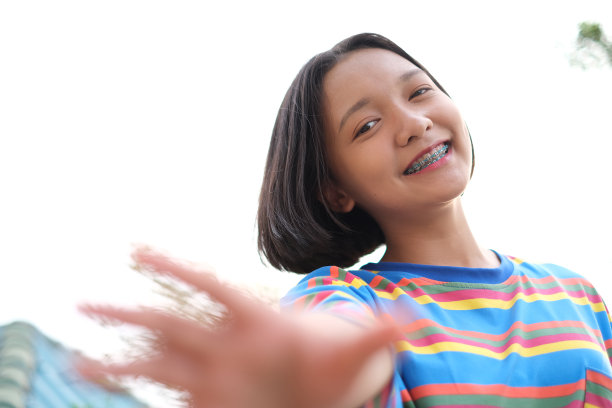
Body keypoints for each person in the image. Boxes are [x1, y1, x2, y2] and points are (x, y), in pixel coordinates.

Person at [78, 33, 612, 407]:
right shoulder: (346, 298)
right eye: (368, 125)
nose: (413, 123)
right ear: (336, 191)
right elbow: (330, 346)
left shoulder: (573, 290)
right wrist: (295, 370)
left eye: (419, 91)